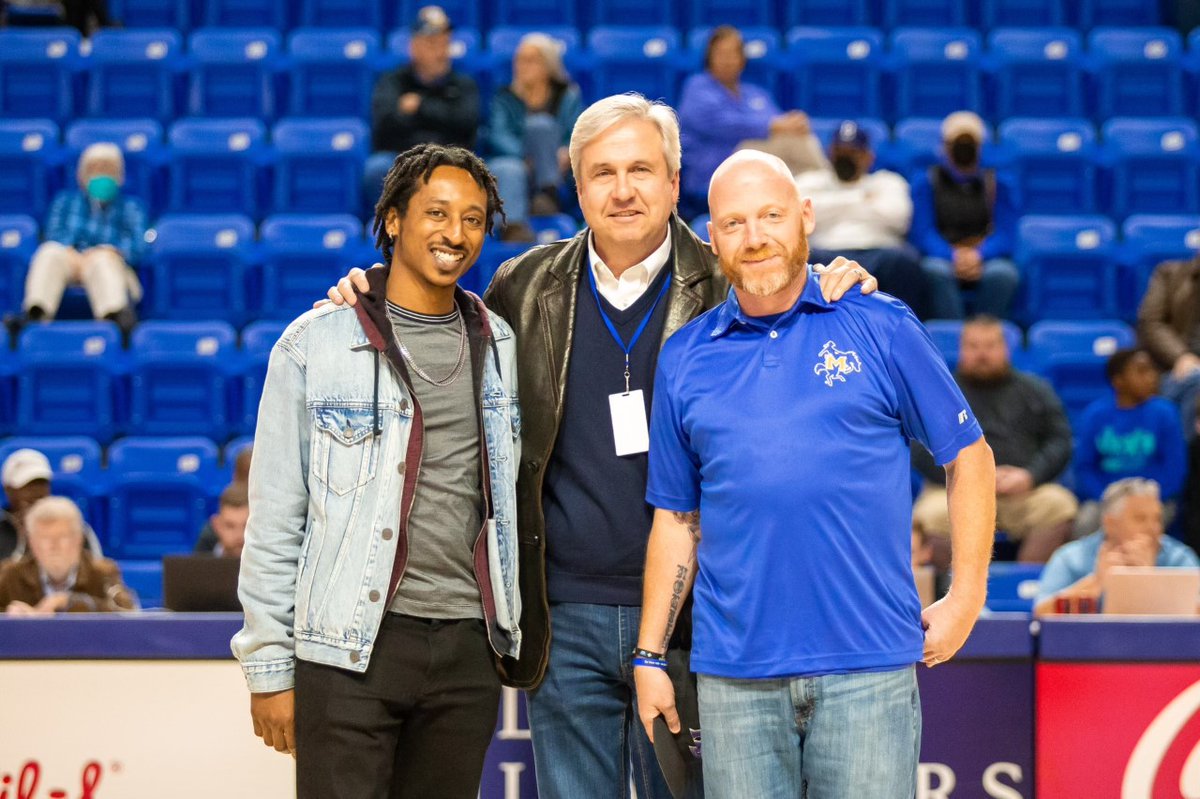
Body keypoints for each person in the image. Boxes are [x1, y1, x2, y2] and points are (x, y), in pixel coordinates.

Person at [324, 93, 877, 799]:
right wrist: (367, 291)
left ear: (674, 182)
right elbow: (434, 325)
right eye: (603, 172)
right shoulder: (521, 285)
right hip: (564, 616)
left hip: (703, 620)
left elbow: (798, 296)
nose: (622, 190)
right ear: (576, 185)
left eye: (641, 169)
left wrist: (841, 281)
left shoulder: (730, 283)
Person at [634, 149, 995, 797]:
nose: (756, 237)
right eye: (735, 222)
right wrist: (650, 654)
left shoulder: (880, 324)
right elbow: (677, 518)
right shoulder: (685, 358)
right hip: (734, 678)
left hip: (867, 668)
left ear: (805, 217)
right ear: (713, 238)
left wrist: (967, 595)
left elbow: (969, 456)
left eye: (771, 215)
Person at [231, 144, 523, 798]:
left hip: (466, 649)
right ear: (392, 219)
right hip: (350, 649)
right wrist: (269, 668)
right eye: (437, 213)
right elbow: (275, 520)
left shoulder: (499, 343)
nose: (456, 233)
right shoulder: (313, 344)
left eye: (474, 219)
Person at [913, 316, 1077, 566]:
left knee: (1059, 506)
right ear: (961, 350)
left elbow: (1060, 440)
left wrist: (1031, 476)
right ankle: (954, 594)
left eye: (990, 346)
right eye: (974, 347)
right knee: (930, 515)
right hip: (954, 490)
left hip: (1023, 491)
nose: (982, 354)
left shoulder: (1035, 389)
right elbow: (918, 446)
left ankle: (1025, 588)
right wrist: (966, 477)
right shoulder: (941, 391)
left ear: (1005, 349)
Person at [677, 26, 823, 214]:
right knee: (790, 143)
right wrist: (775, 126)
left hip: (759, 169)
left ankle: (819, 197)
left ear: (742, 59)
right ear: (709, 58)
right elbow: (721, 125)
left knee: (796, 142)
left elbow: (778, 123)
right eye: (721, 53)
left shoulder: (756, 93)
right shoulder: (697, 88)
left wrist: (792, 123)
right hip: (714, 168)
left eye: (733, 53)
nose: (727, 60)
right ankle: (835, 185)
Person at [7, 142, 145, 339]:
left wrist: (108, 250)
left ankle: (116, 322)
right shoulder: (65, 202)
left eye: (108, 169)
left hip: (112, 261)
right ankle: (35, 315)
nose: (102, 175)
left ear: (120, 176)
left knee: (102, 260)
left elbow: (138, 246)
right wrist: (76, 252)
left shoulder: (133, 207)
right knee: (49, 252)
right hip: (70, 258)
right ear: (82, 176)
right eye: (96, 169)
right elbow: (54, 234)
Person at [797, 119, 928, 318]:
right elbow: (800, 218)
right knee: (800, 262)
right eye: (840, 152)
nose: (846, 158)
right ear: (830, 153)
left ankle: (903, 325)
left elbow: (899, 219)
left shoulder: (888, 181)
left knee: (905, 261)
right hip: (823, 253)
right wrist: (862, 199)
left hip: (881, 253)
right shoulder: (810, 182)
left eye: (853, 153)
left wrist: (831, 206)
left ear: (868, 156)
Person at [363, 5, 480, 208]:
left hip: (452, 158)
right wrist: (442, 114)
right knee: (377, 167)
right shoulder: (393, 82)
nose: (441, 52)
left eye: (445, 43)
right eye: (433, 44)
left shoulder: (463, 83)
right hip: (403, 158)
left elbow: (466, 122)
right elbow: (385, 125)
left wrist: (420, 106)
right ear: (414, 47)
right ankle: (390, 229)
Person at [910, 111, 1020, 320]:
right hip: (943, 256)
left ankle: (984, 334)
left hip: (984, 257)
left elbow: (1006, 234)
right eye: (957, 143)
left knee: (1003, 274)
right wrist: (953, 256)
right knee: (934, 271)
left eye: (969, 144)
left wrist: (979, 255)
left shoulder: (998, 185)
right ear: (944, 146)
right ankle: (953, 337)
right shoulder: (926, 183)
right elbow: (923, 234)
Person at [1034, 478, 1199, 615]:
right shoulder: (1071, 558)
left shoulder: (1179, 558)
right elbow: (1041, 614)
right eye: (1140, 519)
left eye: (1157, 519)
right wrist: (1096, 583)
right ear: (1110, 523)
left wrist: (1148, 580)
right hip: (1089, 649)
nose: (1153, 528)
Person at [1072, 348, 1186, 536]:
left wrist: (1148, 499)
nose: (1151, 377)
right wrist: (1107, 498)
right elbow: (1084, 468)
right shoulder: (1095, 415)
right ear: (1119, 381)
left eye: (1152, 370)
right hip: (1106, 499)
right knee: (1086, 522)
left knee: (1142, 525)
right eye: (1141, 371)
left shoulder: (1165, 413)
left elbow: (1175, 469)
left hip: (1156, 499)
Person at [487, 33, 583, 242]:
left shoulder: (567, 94)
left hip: (557, 170)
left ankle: (548, 195)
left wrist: (567, 152)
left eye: (530, 60)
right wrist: (525, 157)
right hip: (518, 165)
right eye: (519, 60)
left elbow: (578, 131)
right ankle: (511, 227)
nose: (522, 66)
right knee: (508, 167)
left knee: (541, 125)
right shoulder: (505, 96)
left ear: (547, 65)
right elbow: (497, 135)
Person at [0, 496, 134, 615]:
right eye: (45, 539)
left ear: (79, 540)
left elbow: (128, 611)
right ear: (32, 544)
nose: (54, 546)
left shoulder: (103, 572)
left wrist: (69, 602)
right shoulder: (11, 575)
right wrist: (9, 618)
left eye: (62, 537)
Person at [1137, 252, 1200, 439]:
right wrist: (1181, 356)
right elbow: (1151, 322)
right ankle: (1182, 461)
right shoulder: (1170, 274)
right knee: (1195, 380)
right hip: (1172, 371)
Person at [0, 448, 101, 560]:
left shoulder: (75, 527)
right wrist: (23, 538)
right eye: (27, 486)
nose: (36, 492)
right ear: (9, 490)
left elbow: (94, 572)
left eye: (41, 484)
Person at [194, 481, 248, 558]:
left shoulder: (269, 565)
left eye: (246, 526)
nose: (239, 535)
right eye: (230, 526)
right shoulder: (197, 565)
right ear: (217, 525)